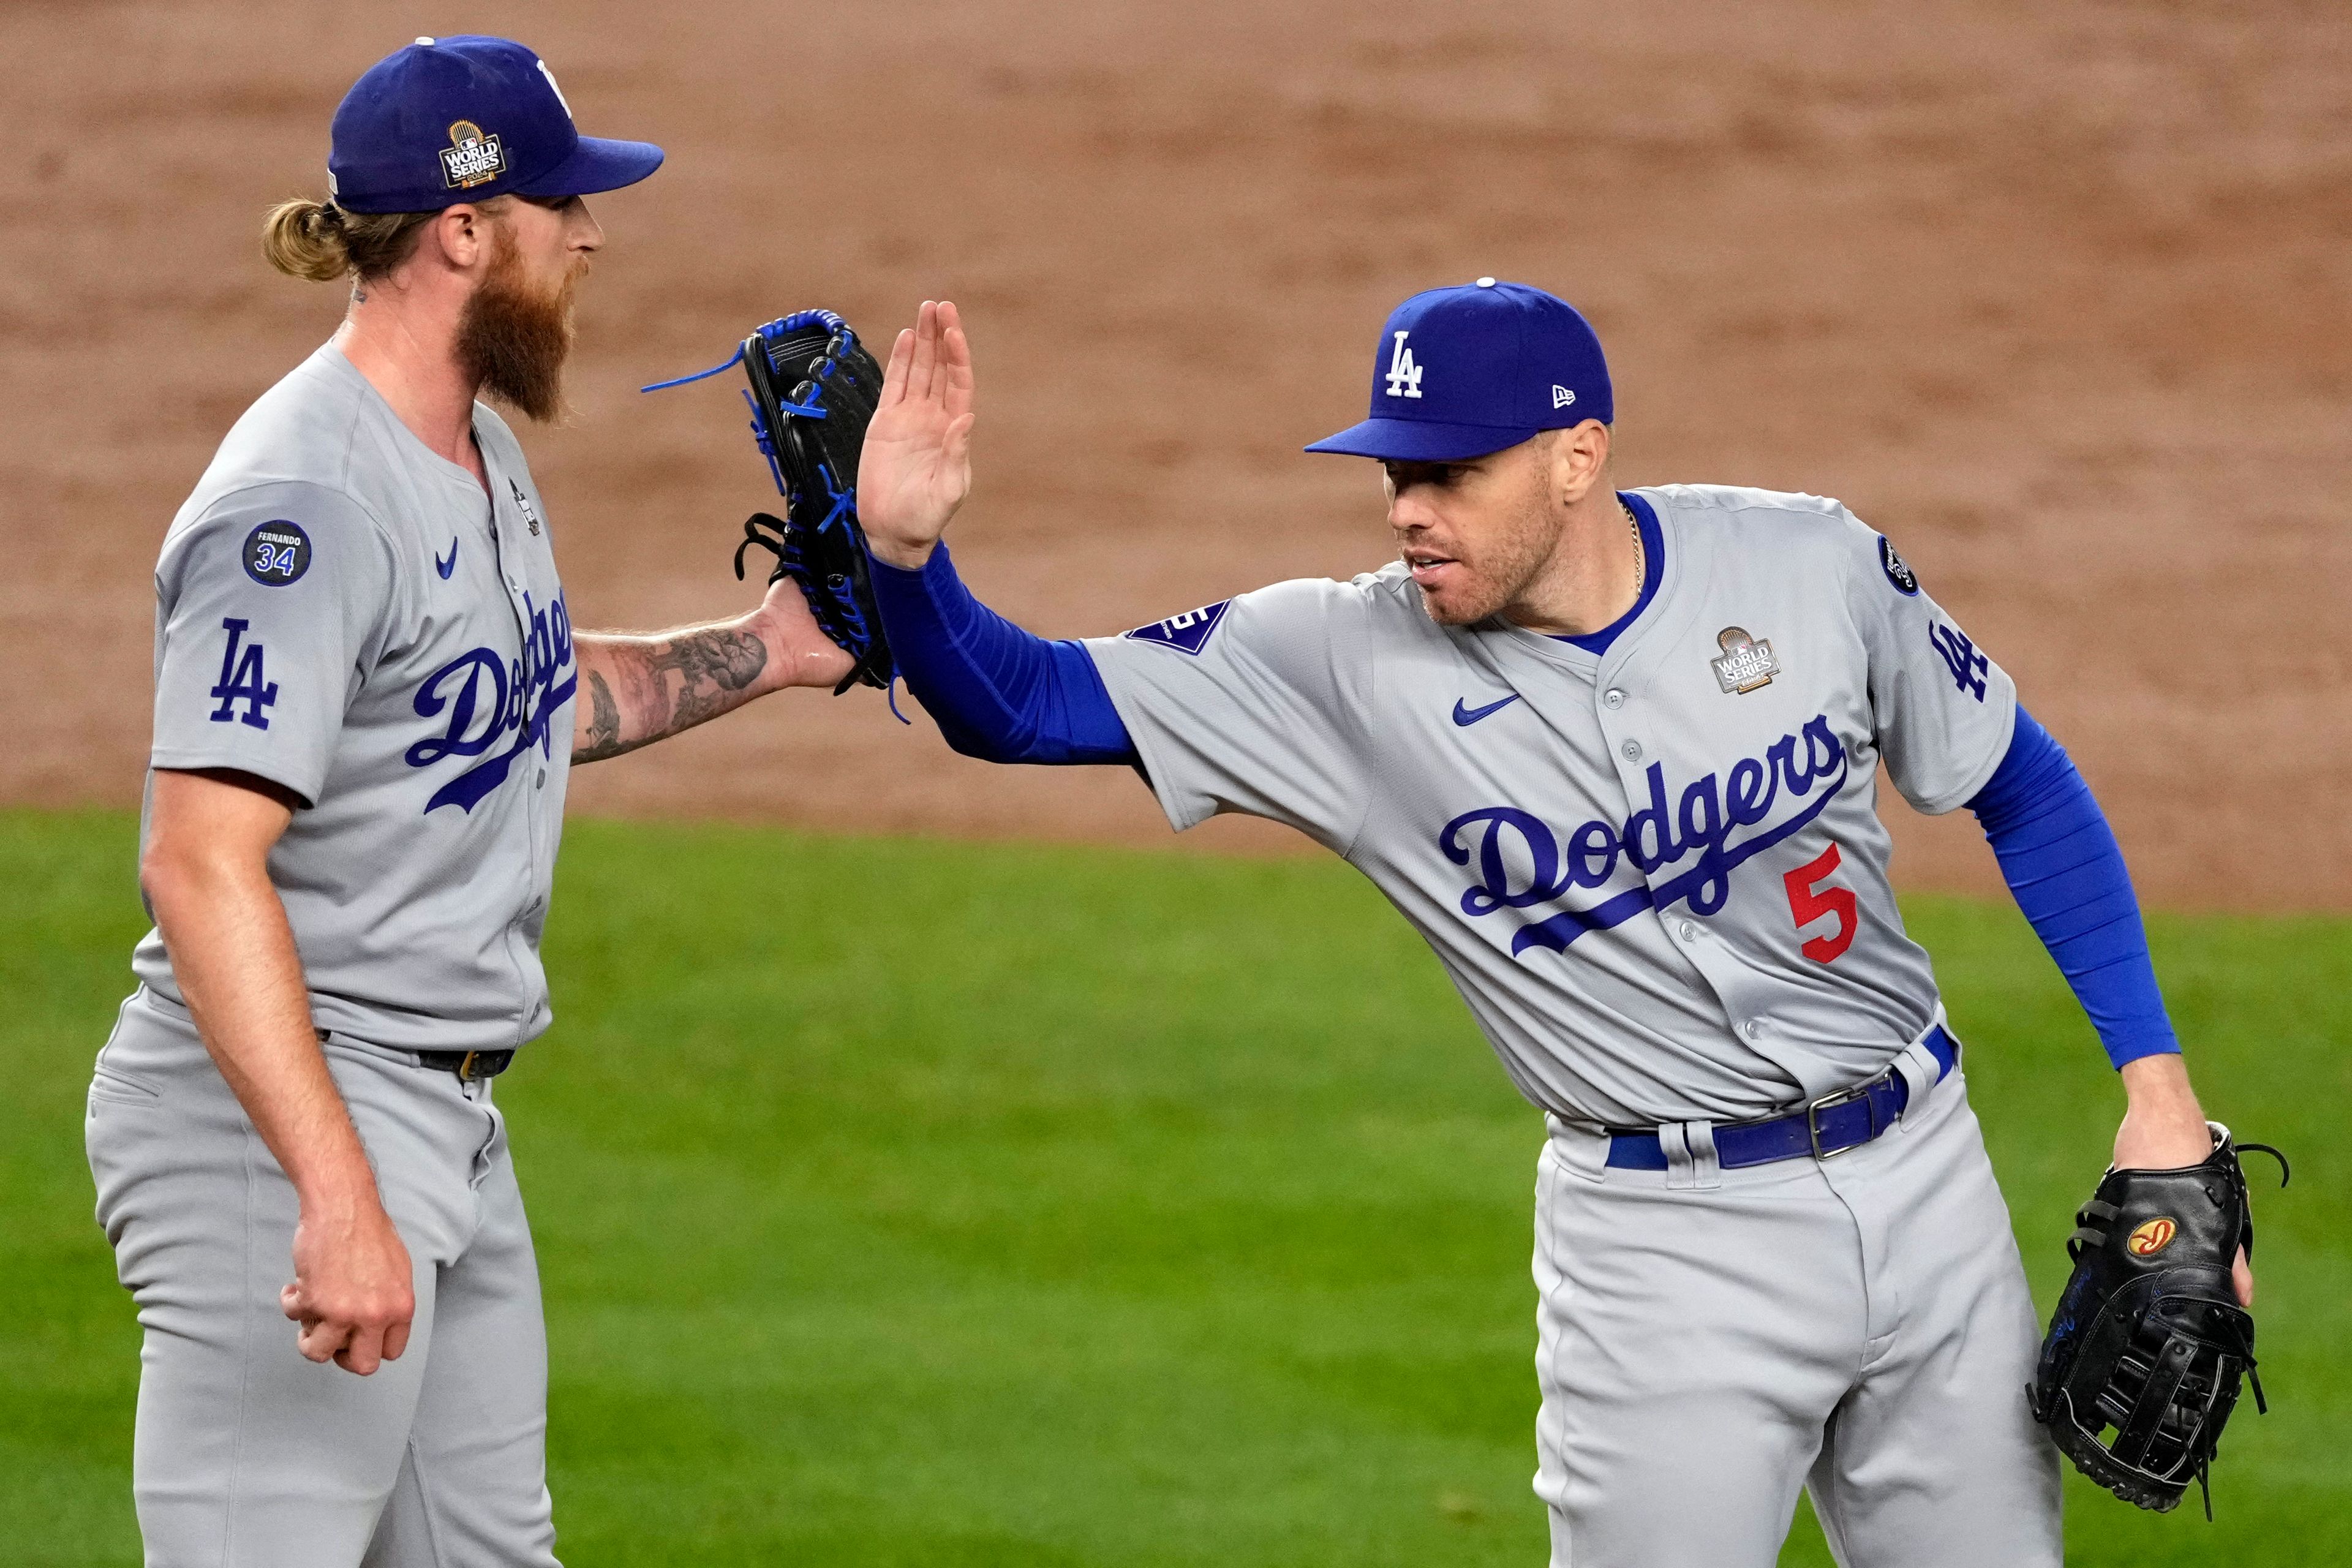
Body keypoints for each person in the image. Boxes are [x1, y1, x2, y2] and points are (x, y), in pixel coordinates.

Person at [846, 292, 2251, 1566]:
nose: (1408, 507)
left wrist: (2160, 1089)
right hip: (1664, 1251)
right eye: (1397, 471)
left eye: (1452, 471)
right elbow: (1019, 704)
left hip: (1930, 1184)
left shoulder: (1807, 565)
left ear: (1577, 456)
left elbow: (2022, 779)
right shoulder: (1333, 664)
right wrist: (907, 559)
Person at [85, 36, 851, 1566]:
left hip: (445, 1120)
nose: (590, 234)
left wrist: (772, 650)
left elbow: (519, 705)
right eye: (561, 202)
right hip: (286, 1121)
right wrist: (332, 1191)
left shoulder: (475, 447)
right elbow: (198, 859)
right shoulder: (303, 505)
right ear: (463, 229)